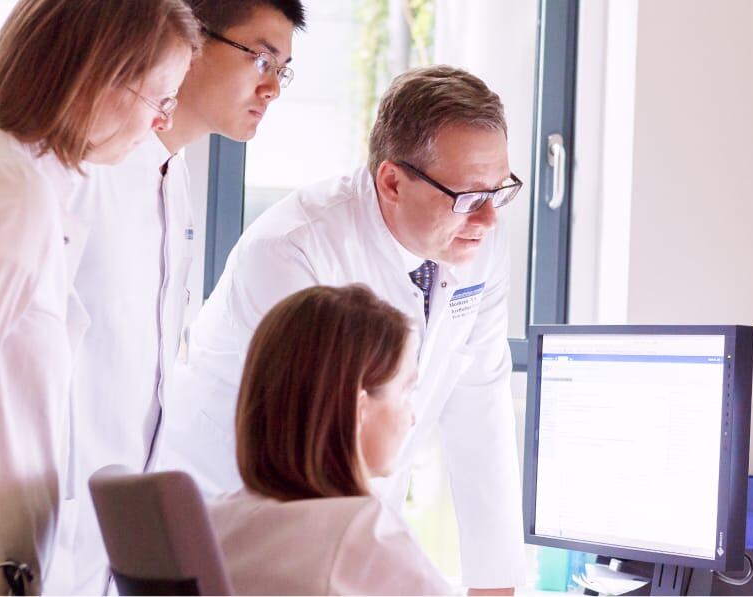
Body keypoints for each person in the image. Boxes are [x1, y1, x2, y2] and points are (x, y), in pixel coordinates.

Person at [158, 65, 525, 592]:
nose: (488, 219)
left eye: (500, 191)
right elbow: (320, 428)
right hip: (242, 518)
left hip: (328, 533)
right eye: (467, 196)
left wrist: (494, 582)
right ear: (392, 181)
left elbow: (480, 399)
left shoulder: (479, 241)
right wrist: (372, 549)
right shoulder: (295, 248)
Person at [50, 1, 306, 593]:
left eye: (283, 70)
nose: (272, 88)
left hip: (112, 542)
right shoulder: (86, 166)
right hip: (45, 529)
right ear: (188, 37)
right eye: (261, 58)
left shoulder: (174, 177)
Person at [0, 0, 199, 593]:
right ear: (100, 76)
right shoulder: (16, 194)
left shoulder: (37, 185)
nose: (162, 123)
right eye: (160, 99)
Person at [209, 284, 452, 595]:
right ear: (358, 408)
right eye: (405, 392)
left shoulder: (214, 523)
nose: (412, 417)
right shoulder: (363, 532)